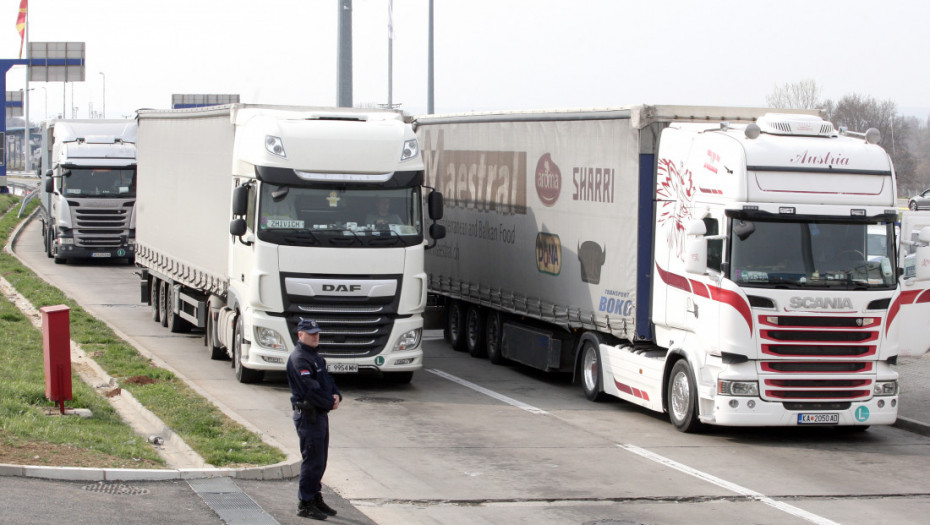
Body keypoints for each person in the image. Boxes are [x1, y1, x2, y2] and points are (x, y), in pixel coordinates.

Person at [287, 318, 342, 520]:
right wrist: (329, 402)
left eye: (317, 333)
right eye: (311, 334)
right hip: (308, 416)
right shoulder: (300, 359)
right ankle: (305, 503)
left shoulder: (315, 357)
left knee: (320, 459)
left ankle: (315, 497)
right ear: (300, 335)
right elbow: (310, 390)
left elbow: (327, 381)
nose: (315, 336)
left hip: (319, 415)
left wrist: (336, 395)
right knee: (312, 460)